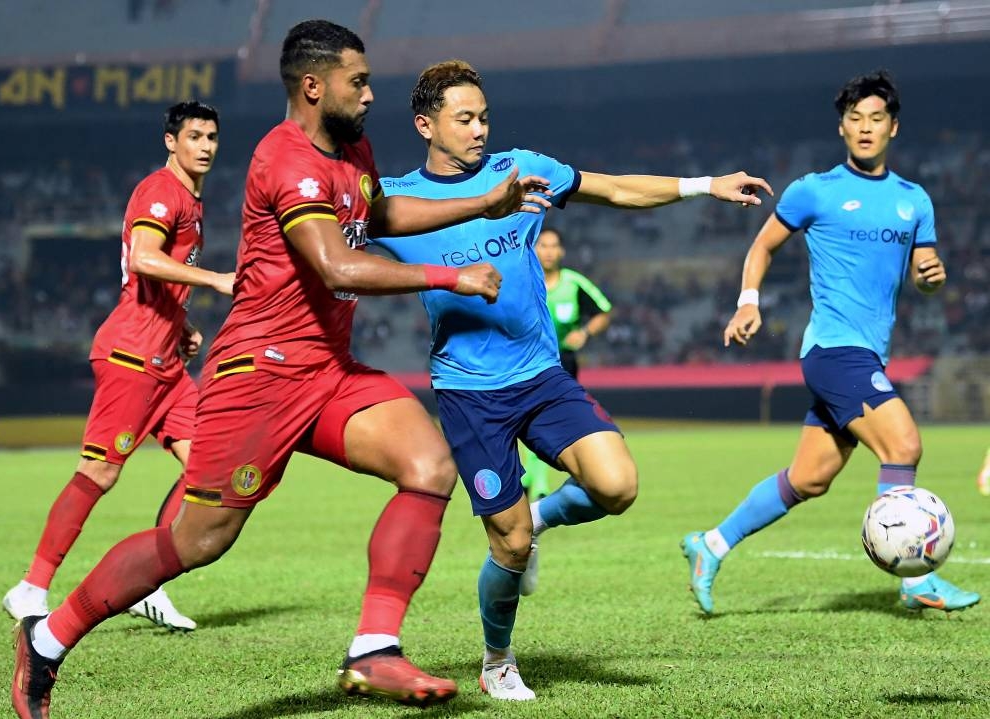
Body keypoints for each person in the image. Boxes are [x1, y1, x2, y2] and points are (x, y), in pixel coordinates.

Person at [10, 20, 552, 719]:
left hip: (328, 368)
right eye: (357, 80)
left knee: (428, 464)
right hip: (258, 374)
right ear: (313, 84)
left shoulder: (351, 144)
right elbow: (334, 261)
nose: (368, 92)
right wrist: (452, 276)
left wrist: (483, 201)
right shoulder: (283, 156)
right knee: (197, 540)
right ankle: (49, 639)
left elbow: (375, 210)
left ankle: (373, 647)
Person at [372, 59, 772, 701]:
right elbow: (325, 254)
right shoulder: (393, 200)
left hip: (541, 377)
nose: (479, 130)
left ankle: (540, 511)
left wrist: (704, 185)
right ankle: (497, 659)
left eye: (484, 117)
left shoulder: (521, 169)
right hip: (471, 393)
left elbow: (615, 189)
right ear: (425, 125)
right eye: (464, 118)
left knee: (617, 485)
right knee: (510, 542)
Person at [681, 70, 980, 616]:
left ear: (894, 128)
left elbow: (925, 278)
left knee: (810, 478)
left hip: (869, 352)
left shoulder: (915, 202)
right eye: (855, 118)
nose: (865, 128)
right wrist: (749, 301)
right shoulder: (814, 190)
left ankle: (710, 545)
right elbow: (762, 246)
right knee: (904, 446)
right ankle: (916, 582)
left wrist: (931, 279)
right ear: (842, 128)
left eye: (876, 119)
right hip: (834, 351)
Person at [3, 100, 234, 634]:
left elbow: (154, 283)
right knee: (100, 472)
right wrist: (217, 279)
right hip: (131, 356)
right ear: (171, 142)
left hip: (166, 362)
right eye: (194, 136)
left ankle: (147, 584)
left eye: (212, 137)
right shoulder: (160, 191)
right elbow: (146, 260)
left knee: (208, 468)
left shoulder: (193, 204)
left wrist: (181, 324)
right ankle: (31, 588)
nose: (205, 146)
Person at [521, 228, 612, 500]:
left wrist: (584, 333)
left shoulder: (573, 283)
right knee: (528, 418)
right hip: (527, 361)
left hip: (562, 363)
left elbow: (603, 311)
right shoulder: (524, 281)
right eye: (543, 245)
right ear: (534, 250)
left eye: (553, 246)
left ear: (561, 252)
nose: (548, 251)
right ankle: (536, 484)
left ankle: (536, 482)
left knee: (545, 419)